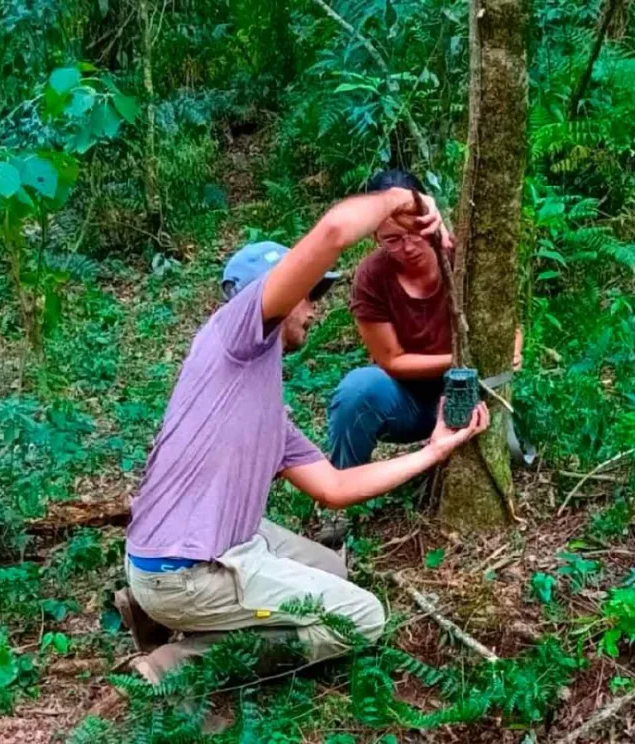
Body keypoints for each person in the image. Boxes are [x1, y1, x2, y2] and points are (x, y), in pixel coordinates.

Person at [118, 186, 490, 684]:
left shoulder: (257, 395)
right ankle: (179, 666)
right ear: (275, 295)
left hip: (213, 544)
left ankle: (162, 612)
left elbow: (334, 488)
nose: (314, 307)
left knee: (331, 572)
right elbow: (334, 233)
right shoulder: (235, 336)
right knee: (361, 618)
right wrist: (403, 198)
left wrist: (435, 448)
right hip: (182, 569)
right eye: (308, 293)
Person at [328, 169, 523, 473]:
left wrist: (510, 349)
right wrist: (459, 359)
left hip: (477, 391)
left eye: (415, 233)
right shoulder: (372, 277)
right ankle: (344, 493)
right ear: (374, 237)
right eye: (391, 239)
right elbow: (391, 359)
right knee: (357, 390)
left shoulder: (465, 257)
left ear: (430, 220)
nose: (407, 247)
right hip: (412, 402)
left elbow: (507, 322)